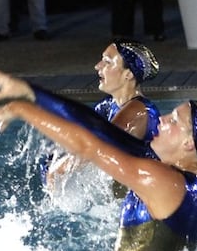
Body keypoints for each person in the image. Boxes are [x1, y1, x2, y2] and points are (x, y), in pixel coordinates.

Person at [0, 63, 197, 251]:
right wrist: (29, 92)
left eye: (173, 121)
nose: (160, 120)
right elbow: (101, 130)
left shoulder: (159, 179)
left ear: (188, 144)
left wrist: (22, 109)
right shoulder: (187, 177)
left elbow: (88, 146)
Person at [44, 40, 162, 191]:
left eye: (107, 62)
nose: (97, 66)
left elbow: (98, 146)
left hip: (144, 202)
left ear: (128, 74)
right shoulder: (108, 105)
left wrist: (57, 170)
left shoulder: (138, 111)